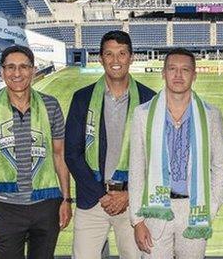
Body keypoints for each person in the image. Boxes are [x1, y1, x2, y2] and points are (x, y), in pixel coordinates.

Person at [128, 48, 223, 259]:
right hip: (154, 211)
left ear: (195, 75)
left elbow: (220, 166)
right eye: (172, 69)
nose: (178, 75)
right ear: (163, 73)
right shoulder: (142, 115)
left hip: (194, 209)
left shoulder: (211, 115)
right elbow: (137, 169)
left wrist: (211, 207)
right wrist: (137, 221)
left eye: (185, 70)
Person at [0, 45, 72, 259]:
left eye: (23, 67)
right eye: (10, 67)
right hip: (6, 209)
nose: (17, 73)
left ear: (33, 70)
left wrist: (66, 200)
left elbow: (59, 155)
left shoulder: (51, 105)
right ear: (2, 71)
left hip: (47, 205)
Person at [65, 30, 156, 259]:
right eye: (109, 54)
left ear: (132, 57)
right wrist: (101, 195)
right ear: (100, 58)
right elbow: (72, 154)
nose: (116, 61)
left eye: (122, 53)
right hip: (92, 200)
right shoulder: (82, 98)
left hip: (133, 203)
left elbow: (156, 157)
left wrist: (128, 194)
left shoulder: (150, 99)